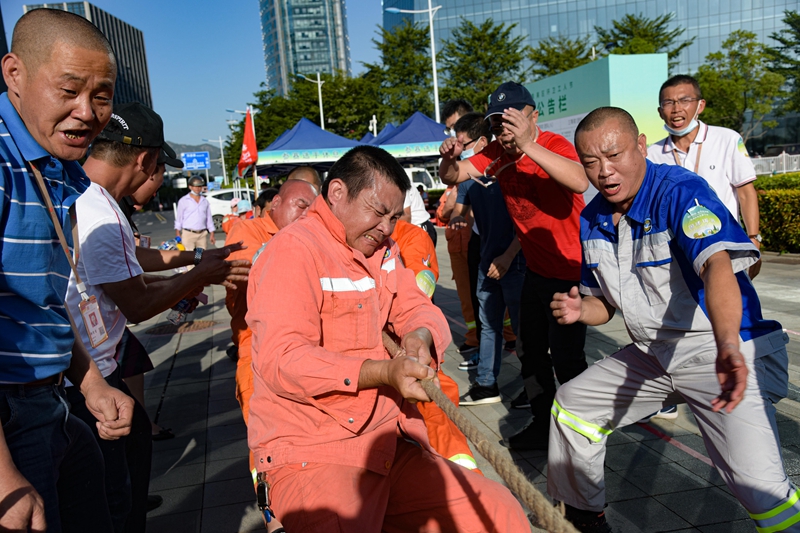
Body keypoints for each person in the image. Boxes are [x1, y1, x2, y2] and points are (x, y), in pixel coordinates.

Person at [247, 145, 528, 531]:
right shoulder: (293, 251)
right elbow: (283, 360)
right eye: (378, 212)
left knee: (498, 513)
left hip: (386, 442)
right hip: (312, 448)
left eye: (394, 217)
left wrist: (420, 335)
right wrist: (383, 372)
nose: (386, 227)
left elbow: (415, 304)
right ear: (337, 194)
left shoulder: (384, 250)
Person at [547, 107, 794, 533]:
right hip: (655, 354)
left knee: (763, 493)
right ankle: (585, 519)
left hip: (717, 348)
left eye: (614, 155)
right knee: (573, 407)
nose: (604, 172)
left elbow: (717, 266)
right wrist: (578, 311)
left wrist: (730, 346)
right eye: (590, 162)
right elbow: (602, 305)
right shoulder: (593, 219)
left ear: (641, 145)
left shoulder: (681, 192)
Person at [65, 102, 251, 533]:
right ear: (145, 159)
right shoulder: (99, 211)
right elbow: (135, 305)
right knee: (117, 499)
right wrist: (198, 274)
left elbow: (129, 265)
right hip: (93, 375)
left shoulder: (90, 196)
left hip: (90, 367)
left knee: (119, 486)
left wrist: (195, 261)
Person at [0, 8, 135, 532]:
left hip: (51, 400)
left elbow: (44, 302)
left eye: (101, 96)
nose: (87, 112)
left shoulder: (56, 168)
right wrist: (4, 475)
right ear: (15, 74)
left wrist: (90, 381)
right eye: (69, 90)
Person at [439, 81, 590, 451]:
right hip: (535, 268)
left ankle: (582, 430)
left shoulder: (553, 144)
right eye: (496, 123)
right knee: (530, 350)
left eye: (512, 119)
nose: (503, 129)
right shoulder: (495, 151)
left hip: (570, 269)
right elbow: (453, 176)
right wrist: (447, 157)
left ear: (533, 116)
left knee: (567, 356)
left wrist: (527, 145)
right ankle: (543, 424)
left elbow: (580, 179)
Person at [647, 74, 762, 280]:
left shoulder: (726, 139)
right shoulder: (652, 154)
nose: (676, 109)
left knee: (735, 309)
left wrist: (754, 238)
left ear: (700, 105)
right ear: (660, 111)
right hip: (677, 256)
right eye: (669, 102)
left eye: (685, 100)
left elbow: (745, 193)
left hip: (726, 248)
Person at [449, 113, 526, 407]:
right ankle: (486, 384)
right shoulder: (470, 177)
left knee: (522, 330)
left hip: (515, 261)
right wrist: (457, 219)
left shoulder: (511, 171)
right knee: (488, 323)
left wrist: (508, 257)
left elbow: (527, 223)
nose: (461, 148)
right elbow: (457, 206)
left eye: (464, 143)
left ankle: (535, 390)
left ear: (483, 141)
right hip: (486, 260)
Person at [175, 175, 215, 250]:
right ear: (190, 187)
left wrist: (212, 233)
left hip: (202, 234)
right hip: (188, 234)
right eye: (195, 186)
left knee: (200, 257)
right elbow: (179, 218)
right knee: (189, 258)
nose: (197, 188)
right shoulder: (183, 201)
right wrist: (177, 233)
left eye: (199, 186)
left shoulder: (204, 201)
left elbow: (208, 218)